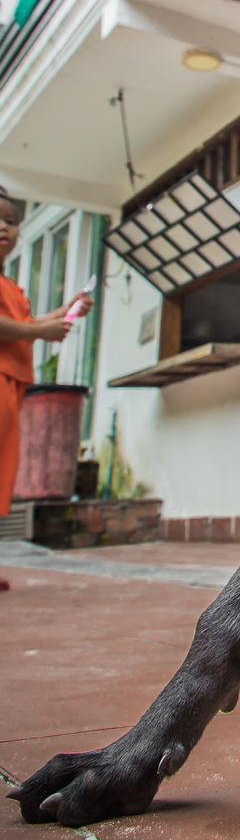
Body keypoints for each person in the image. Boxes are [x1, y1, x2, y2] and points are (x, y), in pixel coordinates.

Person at [0, 187, 93, 588]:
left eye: (11, 220)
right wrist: (42, 328)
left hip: (12, 384)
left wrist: (64, 312)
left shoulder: (9, 286)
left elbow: (24, 327)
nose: (4, 227)